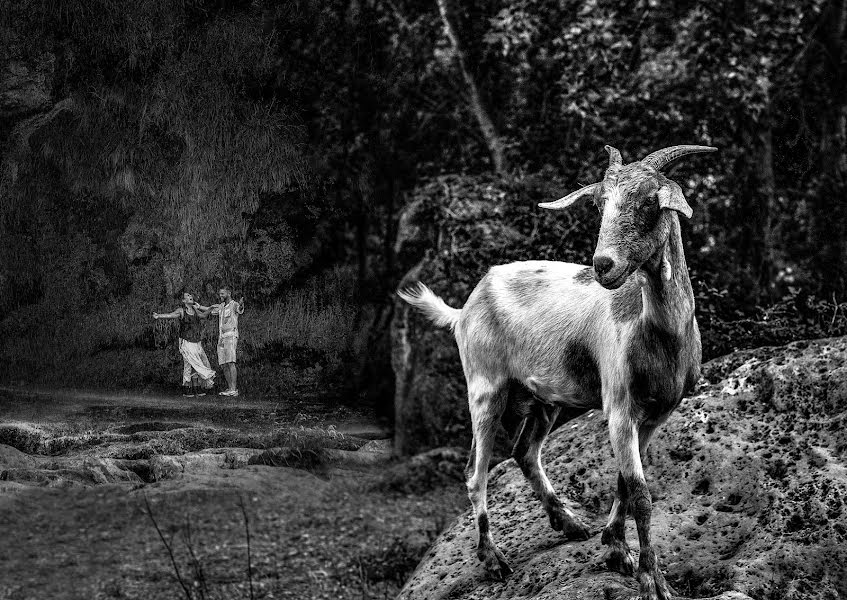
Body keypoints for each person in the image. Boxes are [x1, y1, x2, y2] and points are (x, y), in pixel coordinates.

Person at [152, 292, 216, 397]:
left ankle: (196, 388)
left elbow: (203, 315)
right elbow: (172, 315)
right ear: (184, 301)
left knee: (196, 364)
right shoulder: (181, 311)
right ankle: (187, 388)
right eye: (188, 296)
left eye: (191, 296)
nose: (191, 297)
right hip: (186, 342)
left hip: (196, 342)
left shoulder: (195, 310)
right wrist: (158, 316)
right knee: (188, 364)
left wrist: (210, 308)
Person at [198, 287, 244, 397]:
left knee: (231, 362)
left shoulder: (234, 304)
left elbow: (240, 309)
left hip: (231, 336)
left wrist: (241, 304)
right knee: (223, 364)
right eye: (220, 294)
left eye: (222, 293)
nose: (220, 295)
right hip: (221, 338)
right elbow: (209, 309)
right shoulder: (221, 306)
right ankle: (229, 388)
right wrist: (198, 306)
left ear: (229, 293)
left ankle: (234, 389)